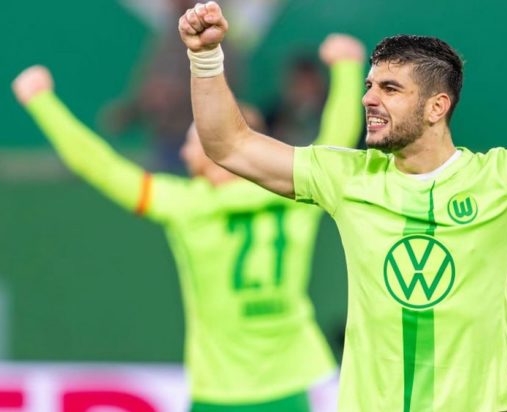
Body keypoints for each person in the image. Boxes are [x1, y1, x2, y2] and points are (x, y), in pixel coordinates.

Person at [178, 2, 507, 411]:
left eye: (390, 89)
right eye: (369, 85)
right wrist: (204, 57)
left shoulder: (505, 180)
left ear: (436, 107)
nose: (369, 99)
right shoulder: (345, 177)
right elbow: (229, 146)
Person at [11, 32, 365, 412]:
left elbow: (100, 166)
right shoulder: (296, 194)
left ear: (217, 148)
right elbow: (337, 140)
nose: (183, 151)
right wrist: (347, 67)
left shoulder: (186, 204)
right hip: (289, 386)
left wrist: (41, 102)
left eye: (192, 142)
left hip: (217, 391)